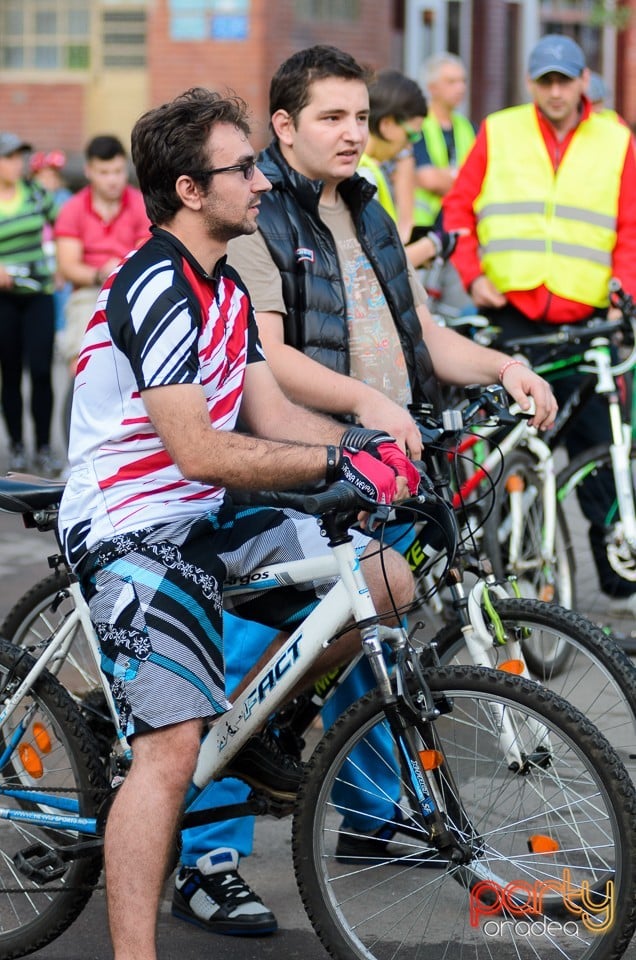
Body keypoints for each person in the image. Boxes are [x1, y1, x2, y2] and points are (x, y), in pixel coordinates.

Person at [170, 44, 556, 939]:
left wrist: (502, 361)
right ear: (285, 127)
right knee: (249, 659)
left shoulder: (370, 210)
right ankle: (209, 854)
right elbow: (268, 357)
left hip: (381, 463)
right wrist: (367, 408)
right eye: (333, 118)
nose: (354, 134)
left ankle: (377, 817)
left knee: (379, 625)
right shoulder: (259, 212)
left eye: (358, 116)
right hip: (294, 466)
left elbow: (419, 330)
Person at [58, 86, 422, 960]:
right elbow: (198, 449)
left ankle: (259, 727)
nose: (261, 181)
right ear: (190, 189)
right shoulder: (154, 287)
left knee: (384, 580)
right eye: (243, 167)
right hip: (130, 531)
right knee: (171, 753)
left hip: (206, 514)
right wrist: (338, 465)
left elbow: (269, 418)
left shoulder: (221, 284)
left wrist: (377, 449)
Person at [443, 32, 636, 610]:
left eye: (565, 80)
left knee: (597, 442)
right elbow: (458, 209)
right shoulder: (500, 130)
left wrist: (621, 288)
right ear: (532, 84)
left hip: (586, 318)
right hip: (513, 317)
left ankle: (615, 578)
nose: (555, 91)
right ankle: (487, 557)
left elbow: (629, 228)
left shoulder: (616, 139)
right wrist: (471, 273)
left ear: (583, 81)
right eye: (545, 81)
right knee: (504, 449)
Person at [54, 134, 150, 374]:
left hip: (132, 288)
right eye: (104, 172)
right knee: (81, 365)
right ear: (88, 171)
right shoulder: (73, 208)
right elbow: (68, 266)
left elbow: (147, 252)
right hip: (89, 291)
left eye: (117, 171)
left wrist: (121, 270)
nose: (113, 180)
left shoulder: (140, 203)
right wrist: (100, 274)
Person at [0, 132, 60, 474]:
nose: (17, 164)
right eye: (9, 158)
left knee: (40, 372)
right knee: (10, 374)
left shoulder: (37, 194)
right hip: (3, 301)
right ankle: (17, 447)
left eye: (20, 157)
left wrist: (65, 263)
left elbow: (64, 229)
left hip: (38, 294)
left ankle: (43, 447)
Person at [358, 68, 457, 269]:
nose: (409, 147)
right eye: (411, 135)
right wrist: (433, 245)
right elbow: (379, 266)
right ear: (386, 125)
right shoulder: (364, 177)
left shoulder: (366, 168)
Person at [405, 52, 475, 311]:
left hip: (457, 234)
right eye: (452, 81)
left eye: (463, 81)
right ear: (432, 87)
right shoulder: (419, 127)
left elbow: (482, 181)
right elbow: (427, 178)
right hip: (422, 234)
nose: (461, 88)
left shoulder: (467, 127)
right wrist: (462, 180)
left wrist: (449, 177)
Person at [29, 150, 72, 334]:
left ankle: (61, 332)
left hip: (59, 255)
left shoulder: (65, 200)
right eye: (43, 177)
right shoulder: (28, 200)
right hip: (36, 260)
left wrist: (62, 268)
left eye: (52, 176)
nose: (47, 182)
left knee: (63, 298)